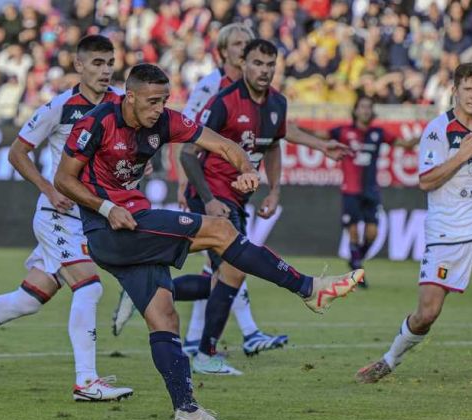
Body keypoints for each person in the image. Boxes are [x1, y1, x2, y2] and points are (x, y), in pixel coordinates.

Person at [53, 63, 362, 420]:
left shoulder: (164, 120)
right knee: (219, 229)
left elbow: (222, 144)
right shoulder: (97, 122)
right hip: (110, 229)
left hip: (133, 225)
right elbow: (63, 179)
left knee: (164, 316)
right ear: (129, 97)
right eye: (152, 102)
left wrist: (246, 169)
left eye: (164, 101)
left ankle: (187, 413)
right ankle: (309, 288)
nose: (158, 109)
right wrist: (107, 207)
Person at [111, 24, 351, 358]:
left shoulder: (276, 101)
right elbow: (189, 138)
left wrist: (276, 187)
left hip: (237, 195)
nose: (259, 65)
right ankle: (212, 349)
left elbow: (274, 141)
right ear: (231, 55)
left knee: (221, 276)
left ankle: (158, 304)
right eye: (243, 49)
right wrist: (198, 191)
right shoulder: (217, 92)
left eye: (269, 64)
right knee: (233, 270)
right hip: (212, 192)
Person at [0, 35, 133, 401]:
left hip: (90, 215)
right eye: (96, 63)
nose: (104, 70)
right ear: (78, 65)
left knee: (28, 300)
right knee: (90, 286)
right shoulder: (61, 106)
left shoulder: (120, 104)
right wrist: (49, 189)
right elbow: (18, 152)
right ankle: (86, 382)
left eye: (109, 62)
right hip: (59, 214)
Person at [355, 63, 472, 383]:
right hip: (445, 236)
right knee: (427, 315)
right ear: (454, 91)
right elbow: (425, 182)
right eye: (467, 89)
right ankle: (389, 359)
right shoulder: (438, 131)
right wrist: (462, 155)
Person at [325, 95, 418, 287]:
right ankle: (357, 269)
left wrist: (427, 134)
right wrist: (293, 130)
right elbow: (320, 137)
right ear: (356, 110)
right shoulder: (343, 131)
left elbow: (405, 144)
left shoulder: (378, 132)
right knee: (353, 233)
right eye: (362, 107)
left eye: (369, 107)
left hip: (371, 190)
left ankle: (356, 259)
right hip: (350, 190)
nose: (366, 110)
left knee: (372, 233)